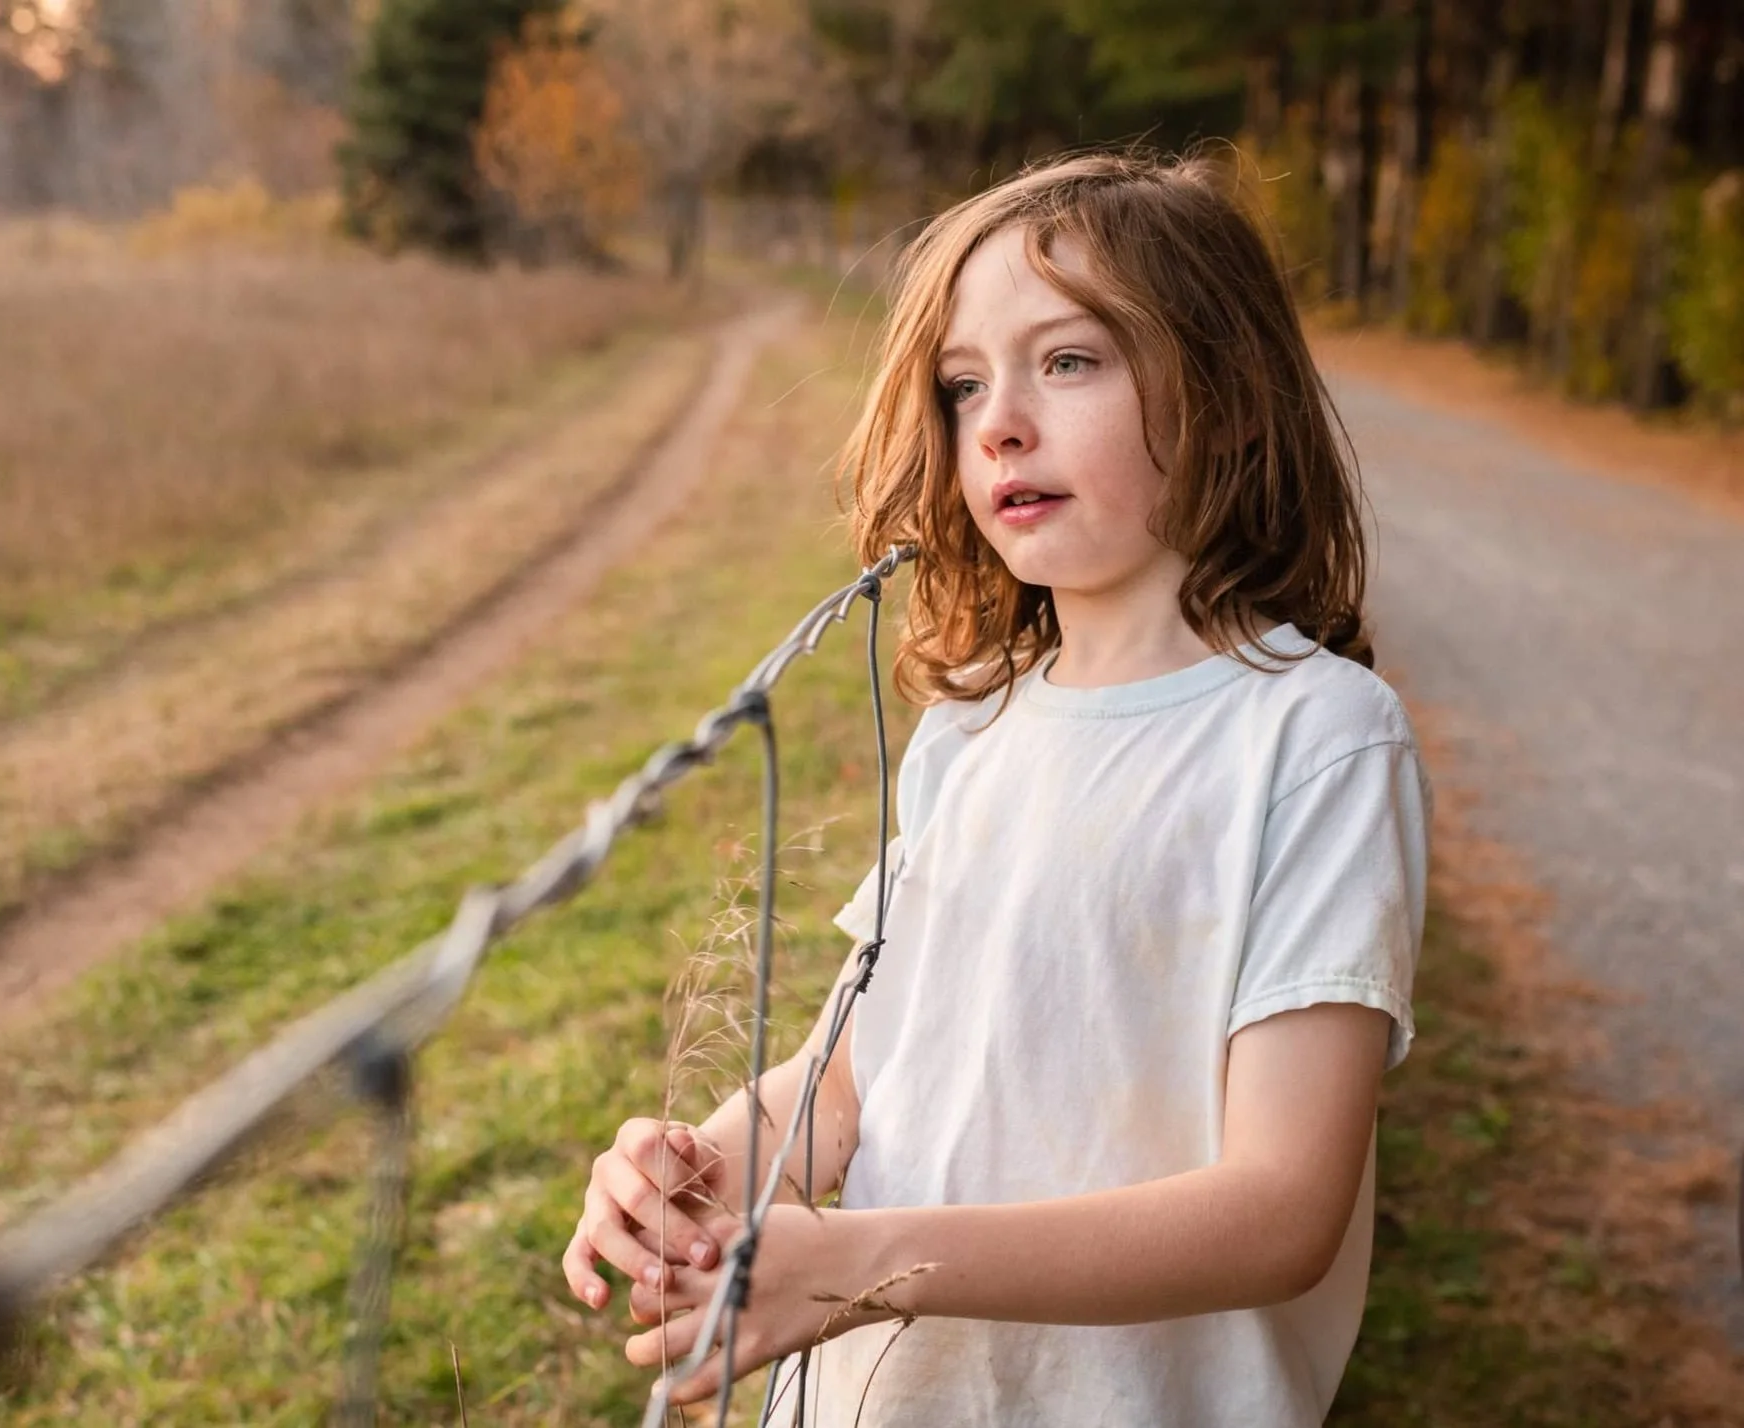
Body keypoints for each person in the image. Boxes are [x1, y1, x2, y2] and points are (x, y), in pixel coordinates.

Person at [558, 147, 1432, 1426]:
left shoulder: (1315, 742)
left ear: (1233, 395)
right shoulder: (972, 729)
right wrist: (699, 1171)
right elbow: (855, 1082)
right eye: (964, 385)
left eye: (1069, 361)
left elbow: (1280, 1210)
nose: (1002, 421)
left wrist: (866, 1265)